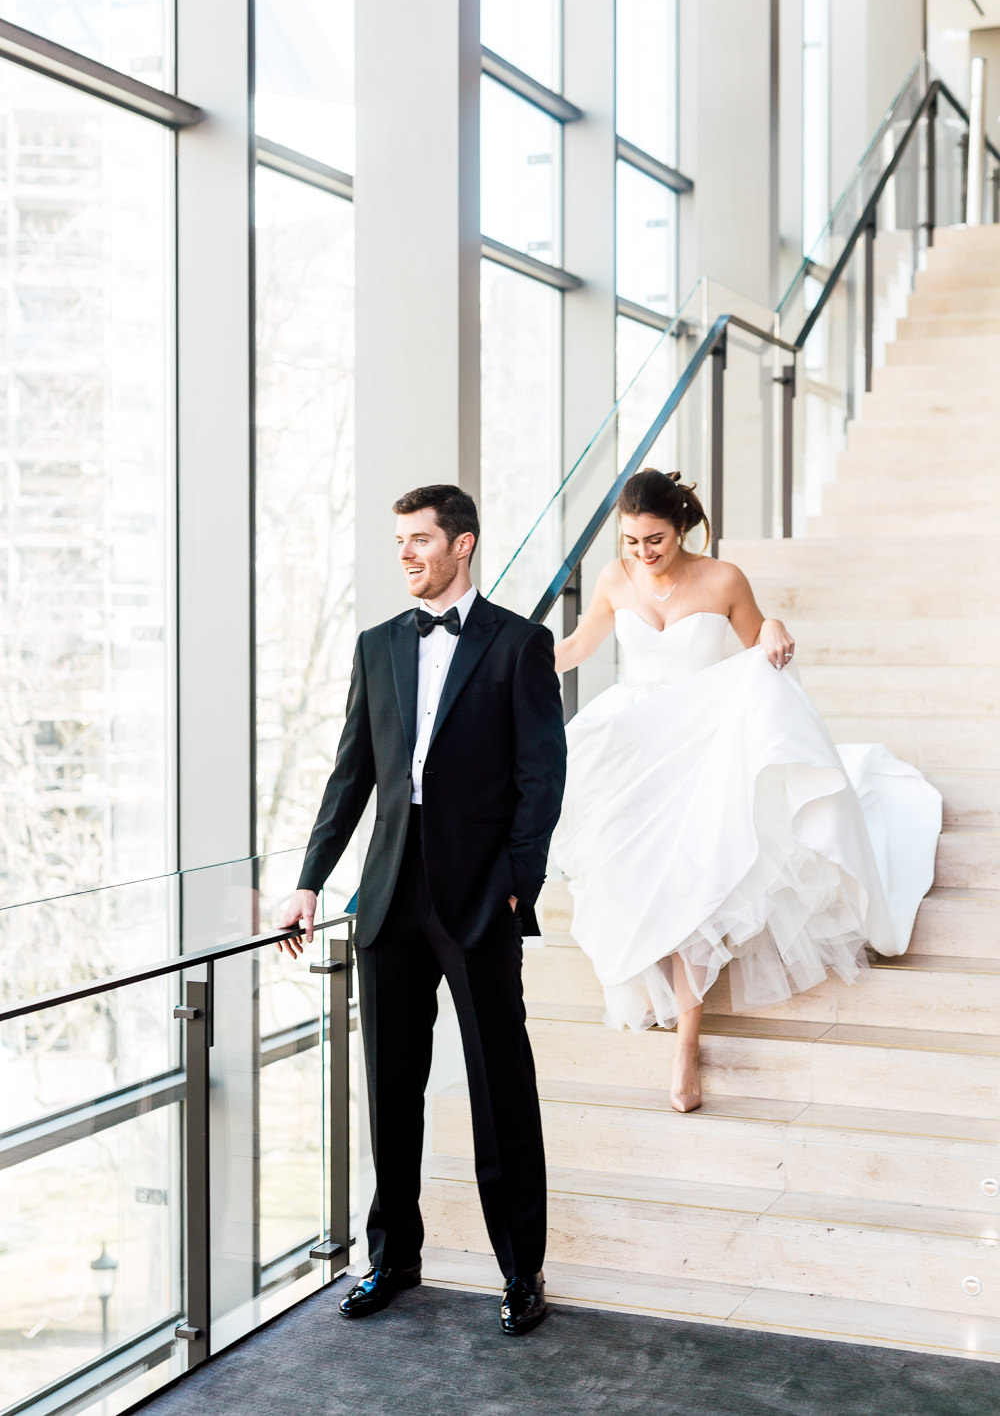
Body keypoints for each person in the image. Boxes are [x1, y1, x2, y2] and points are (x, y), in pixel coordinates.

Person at [551, 468, 941, 1113]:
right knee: (628, 866)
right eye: (630, 541)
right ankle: (658, 980)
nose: (643, 554)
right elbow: (577, 647)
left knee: (697, 878)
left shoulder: (723, 578)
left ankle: (687, 1044)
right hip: (633, 739)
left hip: (707, 735)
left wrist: (777, 625)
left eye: (655, 540)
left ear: (682, 528)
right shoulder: (615, 579)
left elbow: (756, 633)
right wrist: (510, 659)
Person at [277, 484, 566, 1336]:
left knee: (498, 1085)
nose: (404, 554)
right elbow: (350, 773)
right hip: (389, 898)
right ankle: (392, 1259)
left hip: (478, 898)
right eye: (397, 540)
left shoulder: (520, 645)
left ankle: (522, 1272)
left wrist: (519, 880)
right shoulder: (376, 647)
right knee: (390, 1089)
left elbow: (540, 777)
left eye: (418, 540)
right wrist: (310, 879)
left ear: (462, 545)